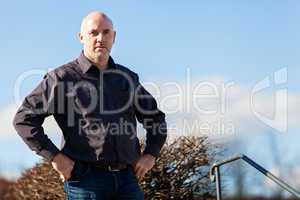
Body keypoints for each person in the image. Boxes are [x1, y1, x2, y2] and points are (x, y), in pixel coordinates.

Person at [13, 11, 167, 200]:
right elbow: (24, 119)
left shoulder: (128, 78)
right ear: (81, 37)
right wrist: (55, 157)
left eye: (106, 32)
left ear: (114, 37)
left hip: (128, 180)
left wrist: (151, 154)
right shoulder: (61, 78)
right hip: (85, 182)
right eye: (93, 33)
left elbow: (155, 118)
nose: (100, 38)